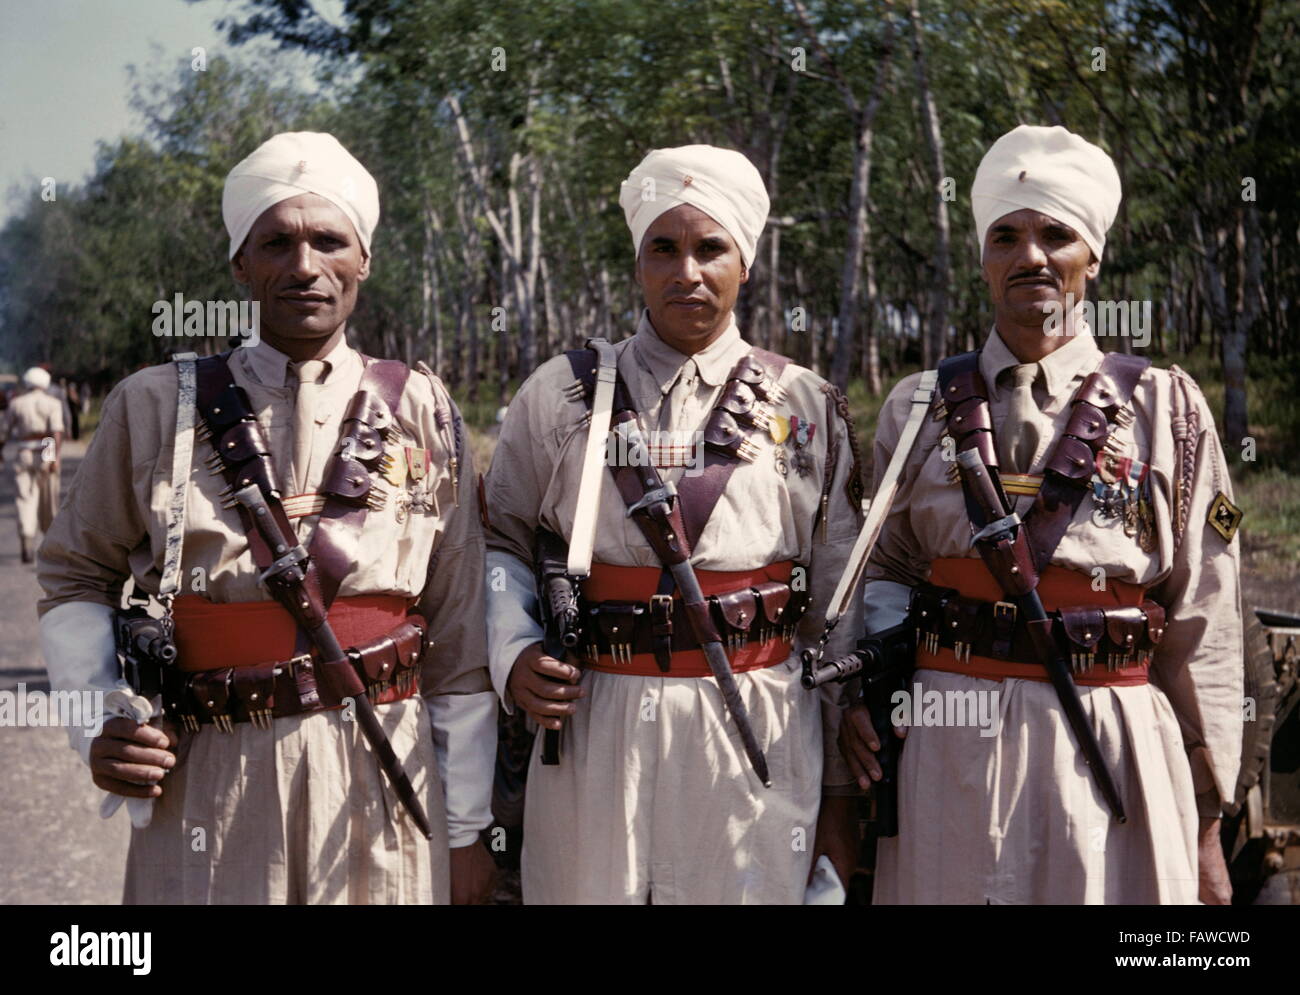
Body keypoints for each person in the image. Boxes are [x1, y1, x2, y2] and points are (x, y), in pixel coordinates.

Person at [37, 131, 499, 904]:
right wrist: (97, 721)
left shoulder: (423, 409)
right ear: (240, 266)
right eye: (276, 242)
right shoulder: (155, 405)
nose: (304, 265)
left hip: (386, 771)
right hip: (211, 777)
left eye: (328, 241)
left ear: (363, 261)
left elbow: (457, 637)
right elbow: (75, 573)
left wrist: (466, 828)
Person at [840, 124, 1243, 904]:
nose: (1031, 256)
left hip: (1112, 748)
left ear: (1093, 256)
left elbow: (1206, 617)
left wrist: (1204, 819)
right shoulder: (916, 408)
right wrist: (871, 687)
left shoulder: (1167, 409)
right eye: (1007, 236)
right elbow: (881, 571)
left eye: (1056, 234)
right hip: (945, 747)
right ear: (983, 259)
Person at [483, 144, 865, 904]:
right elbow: (500, 540)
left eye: (709, 248)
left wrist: (842, 794)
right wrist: (514, 651)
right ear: (638, 262)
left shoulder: (806, 403)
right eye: (664, 247)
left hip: (758, 723)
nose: (686, 271)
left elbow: (838, 598)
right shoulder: (560, 394)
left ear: (744, 261)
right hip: (595, 724)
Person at [0, 366, 64, 563]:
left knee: (25, 498)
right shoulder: (52, 403)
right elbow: (56, 433)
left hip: (24, 451)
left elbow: (4, 432)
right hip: (46, 449)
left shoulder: (16, 403)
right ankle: (49, 543)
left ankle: (27, 541)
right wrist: (52, 458)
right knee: (48, 500)